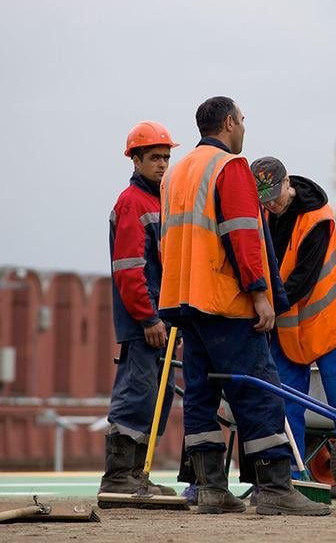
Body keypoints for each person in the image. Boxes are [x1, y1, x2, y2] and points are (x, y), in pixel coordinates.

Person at [158, 96, 329, 517]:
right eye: (243, 120)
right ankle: (274, 488)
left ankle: (211, 489)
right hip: (224, 302)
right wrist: (259, 293)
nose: (244, 128)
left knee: (200, 395)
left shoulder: (176, 173)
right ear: (230, 123)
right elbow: (242, 235)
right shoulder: (229, 167)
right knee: (257, 390)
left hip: (183, 300)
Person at [249, 156, 336, 511]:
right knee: (284, 404)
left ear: (288, 184)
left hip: (332, 322)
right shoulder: (263, 215)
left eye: (275, 196)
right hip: (290, 326)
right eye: (264, 200)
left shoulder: (317, 219)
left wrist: (264, 306)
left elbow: (302, 280)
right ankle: (291, 485)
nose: (271, 205)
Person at [100, 121, 179, 499]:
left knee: (157, 397)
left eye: (165, 157)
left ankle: (137, 475)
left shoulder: (160, 201)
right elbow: (129, 269)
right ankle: (119, 476)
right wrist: (148, 317)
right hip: (144, 323)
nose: (162, 164)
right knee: (137, 394)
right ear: (136, 160)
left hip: (162, 320)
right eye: (154, 158)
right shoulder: (133, 202)